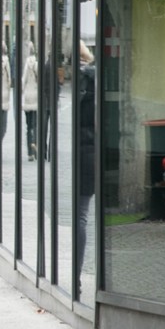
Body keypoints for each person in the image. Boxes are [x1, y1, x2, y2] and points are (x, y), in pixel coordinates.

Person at [76, 41, 96, 297]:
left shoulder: (81, 83)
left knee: (81, 215)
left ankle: (77, 275)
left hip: (83, 152)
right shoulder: (98, 80)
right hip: (96, 151)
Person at [22, 40, 39, 161]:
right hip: (36, 97)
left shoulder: (26, 65)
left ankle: (29, 153)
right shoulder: (37, 64)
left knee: (28, 127)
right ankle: (35, 148)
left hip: (28, 97)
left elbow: (23, 81)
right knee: (35, 125)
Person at [0, 42, 11, 140]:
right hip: (5, 92)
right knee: (4, 114)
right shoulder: (7, 62)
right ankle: (2, 132)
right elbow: (9, 79)